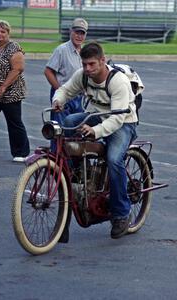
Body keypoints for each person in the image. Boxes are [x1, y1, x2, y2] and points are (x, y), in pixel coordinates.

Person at [52, 42, 138, 240]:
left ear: (102, 60)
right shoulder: (83, 75)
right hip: (98, 116)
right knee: (69, 122)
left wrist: (95, 131)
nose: (88, 69)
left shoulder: (118, 82)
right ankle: (79, 173)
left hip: (124, 123)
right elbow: (65, 89)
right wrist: (58, 100)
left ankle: (121, 214)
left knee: (114, 159)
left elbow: (116, 119)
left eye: (92, 64)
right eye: (84, 64)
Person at [0, 20, 30, 162]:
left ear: (8, 33)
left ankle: (21, 152)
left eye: (3, 31)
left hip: (11, 94)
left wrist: (4, 86)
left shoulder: (13, 47)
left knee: (14, 123)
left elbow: (18, 68)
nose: (0, 34)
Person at [44, 18, 88, 126]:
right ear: (70, 31)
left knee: (77, 130)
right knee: (60, 131)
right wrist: (60, 90)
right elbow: (48, 71)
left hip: (80, 97)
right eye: (76, 32)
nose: (79, 36)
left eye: (82, 33)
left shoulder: (86, 52)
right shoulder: (61, 50)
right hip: (63, 95)